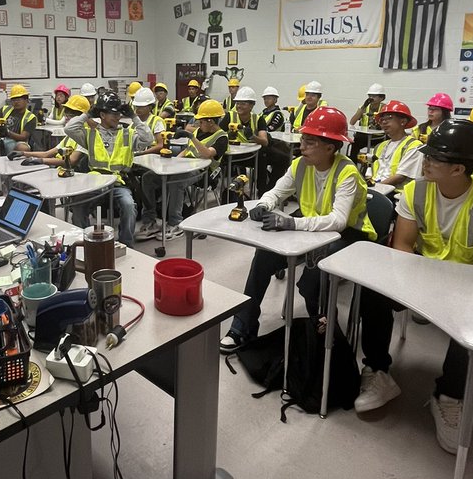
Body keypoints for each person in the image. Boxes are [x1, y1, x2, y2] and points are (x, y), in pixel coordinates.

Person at [355, 119, 473, 453]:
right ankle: (378, 370)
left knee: (472, 317)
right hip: (422, 275)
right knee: (374, 292)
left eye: (434, 158)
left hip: (471, 284)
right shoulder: (416, 190)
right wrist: (415, 288)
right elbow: (403, 247)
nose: (424, 162)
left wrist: (448, 294)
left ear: (458, 169)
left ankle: (449, 395)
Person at [220, 107, 375, 352]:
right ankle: (244, 326)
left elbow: (339, 220)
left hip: (347, 235)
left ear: (331, 147)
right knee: (263, 257)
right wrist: (264, 204)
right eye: (303, 139)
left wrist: (291, 223)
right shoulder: (300, 164)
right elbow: (278, 191)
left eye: (310, 141)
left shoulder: (348, 173)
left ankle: (325, 332)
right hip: (310, 229)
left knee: (313, 279)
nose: (302, 146)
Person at [64, 93, 154, 245]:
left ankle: (126, 243)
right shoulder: (90, 134)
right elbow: (69, 128)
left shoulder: (127, 133)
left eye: (119, 113)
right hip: (95, 181)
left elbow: (148, 139)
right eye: (113, 113)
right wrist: (87, 115)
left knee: (129, 206)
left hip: (118, 182)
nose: (117, 117)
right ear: (102, 115)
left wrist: (134, 117)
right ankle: (85, 243)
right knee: (78, 206)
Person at [136, 99, 228, 240]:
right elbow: (186, 150)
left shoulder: (222, 138)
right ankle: (150, 221)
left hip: (201, 172)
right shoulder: (199, 131)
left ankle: (175, 223)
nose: (198, 124)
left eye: (201, 121)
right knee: (148, 177)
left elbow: (208, 154)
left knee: (176, 181)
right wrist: (174, 162)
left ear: (210, 121)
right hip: (184, 166)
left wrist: (191, 136)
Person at [16, 95, 89, 166]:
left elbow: (72, 160)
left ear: (82, 118)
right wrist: (23, 153)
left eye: (71, 115)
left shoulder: (85, 136)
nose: (67, 117)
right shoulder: (70, 136)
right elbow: (47, 154)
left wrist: (42, 161)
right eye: (66, 113)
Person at [365, 100, 423, 190]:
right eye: (382, 120)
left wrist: (375, 188)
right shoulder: (379, 146)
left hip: (396, 196)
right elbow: (370, 173)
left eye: (389, 118)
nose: (384, 122)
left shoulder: (414, 146)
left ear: (403, 122)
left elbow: (400, 177)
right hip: (376, 190)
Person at [0, 84, 37, 155]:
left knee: (22, 148)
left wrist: (7, 132)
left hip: (18, 141)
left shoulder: (31, 117)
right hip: (0, 139)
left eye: (18, 99)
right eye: (13, 100)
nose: (16, 102)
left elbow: (23, 137)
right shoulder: (4, 110)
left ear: (26, 100)